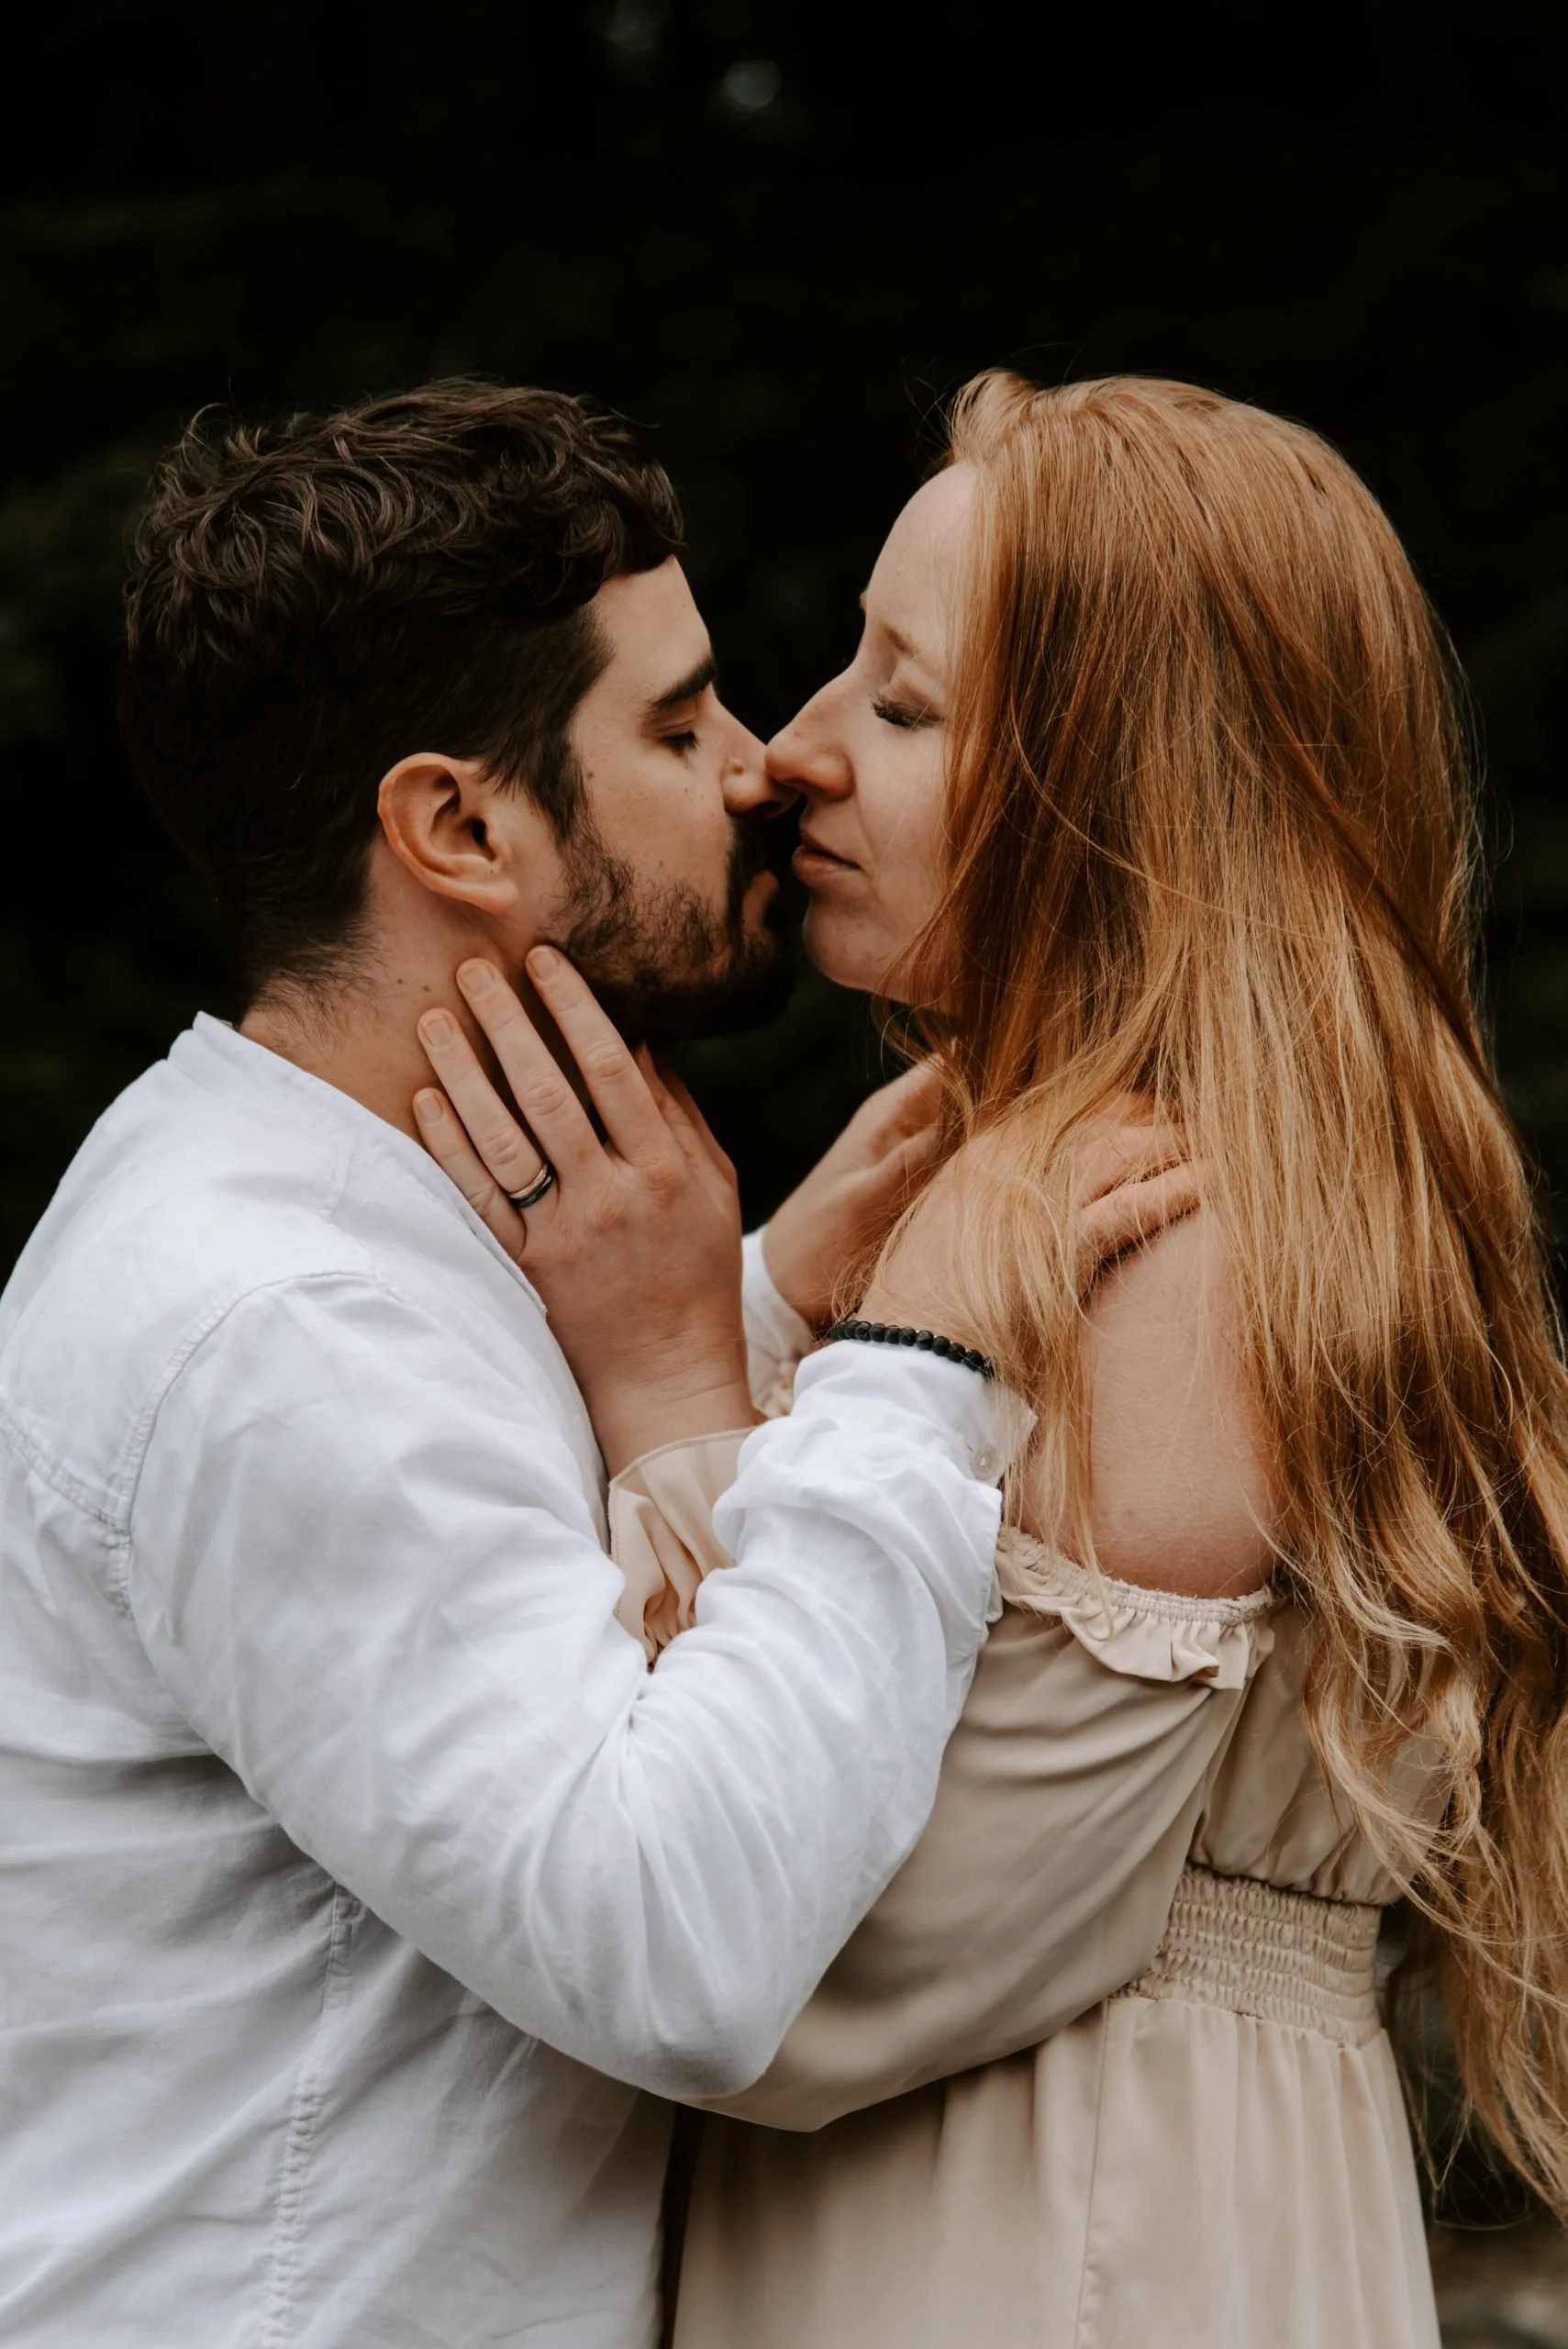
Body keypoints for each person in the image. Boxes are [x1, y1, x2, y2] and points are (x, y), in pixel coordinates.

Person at [0, 380, 1186, 2348]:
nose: (764, 767)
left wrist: (749, 1321)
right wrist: (906, 1360)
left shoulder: (359, 1236)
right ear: (458, 823)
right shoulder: (275, 1322)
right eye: (676, 719)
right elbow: (678, 1940)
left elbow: (509, 1625)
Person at [424, 373, 1568, 2349]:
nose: (784, 761)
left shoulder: (1179, 1226)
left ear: (1126, 782)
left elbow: (818, 1966)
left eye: (900, 700)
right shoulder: (1022, 1181)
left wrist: (681, 1384)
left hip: (1065, 2243)